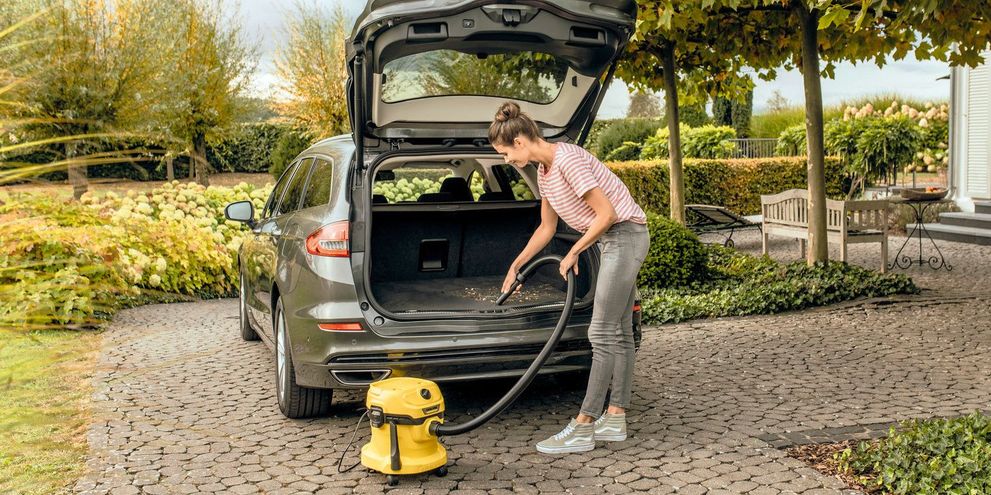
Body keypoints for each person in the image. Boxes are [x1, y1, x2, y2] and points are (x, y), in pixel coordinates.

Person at [488, 101, 650, 454]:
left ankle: (584, 425)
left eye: (505, 153)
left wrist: (575, 250)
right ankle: (615, 417)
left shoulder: (568, 160)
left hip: (624, 235)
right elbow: (546, 228)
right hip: (613, 240)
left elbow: (607, 214)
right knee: (620, 331)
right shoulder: (545, 172)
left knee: (601, 332)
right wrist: (517, 265)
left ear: (520, 142)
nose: (507, 160)